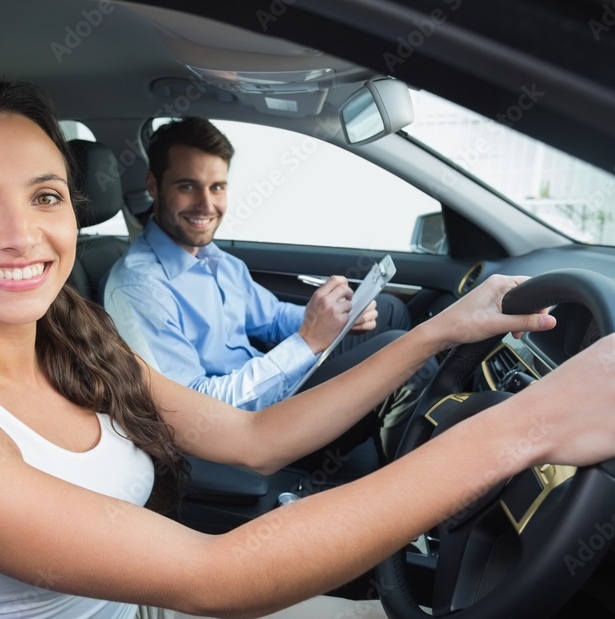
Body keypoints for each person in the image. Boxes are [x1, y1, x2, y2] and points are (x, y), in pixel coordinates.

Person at [0, 79, 615, 619]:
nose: (22, 234)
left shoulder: (70, 340)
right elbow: (216, 574)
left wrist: (439, 332)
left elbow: (253, 437)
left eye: (44, 197)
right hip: (165, 614)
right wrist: (531, 423)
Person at [102, 117, 430, 469]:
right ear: (154, 185)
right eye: (187, 186)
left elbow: (271, 318)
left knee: (389, 310)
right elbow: (197, 411)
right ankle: (417, 486)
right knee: (411, 357)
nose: (206, 205)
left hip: (268, 388)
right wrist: (307, 342)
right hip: (253, 429)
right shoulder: (139, 288)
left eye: (217, 187)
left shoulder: (217, 261)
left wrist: (331, 315)